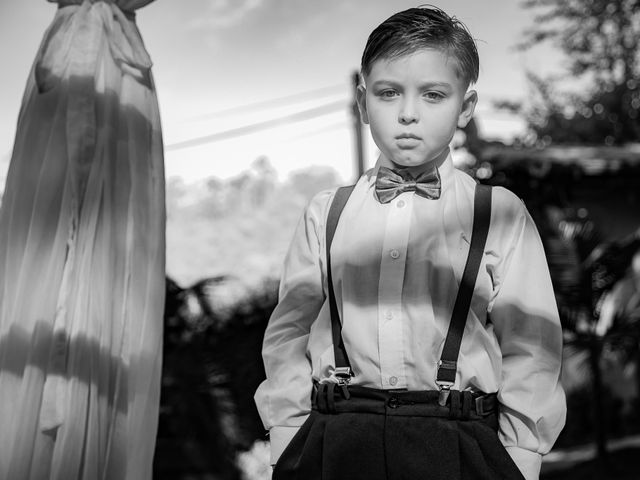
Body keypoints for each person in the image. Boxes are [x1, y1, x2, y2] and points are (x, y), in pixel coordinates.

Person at [254, 6, 566, 480]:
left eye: (434, 95)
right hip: (337, 440)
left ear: (464, 107)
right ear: (362, 103)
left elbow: (531, 343)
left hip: (460, 441)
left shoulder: (498, 212)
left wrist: (521, 457)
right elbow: (287, 334)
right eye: (388, 93)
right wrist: (288, 435)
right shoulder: (326, 212)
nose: (407, 113)